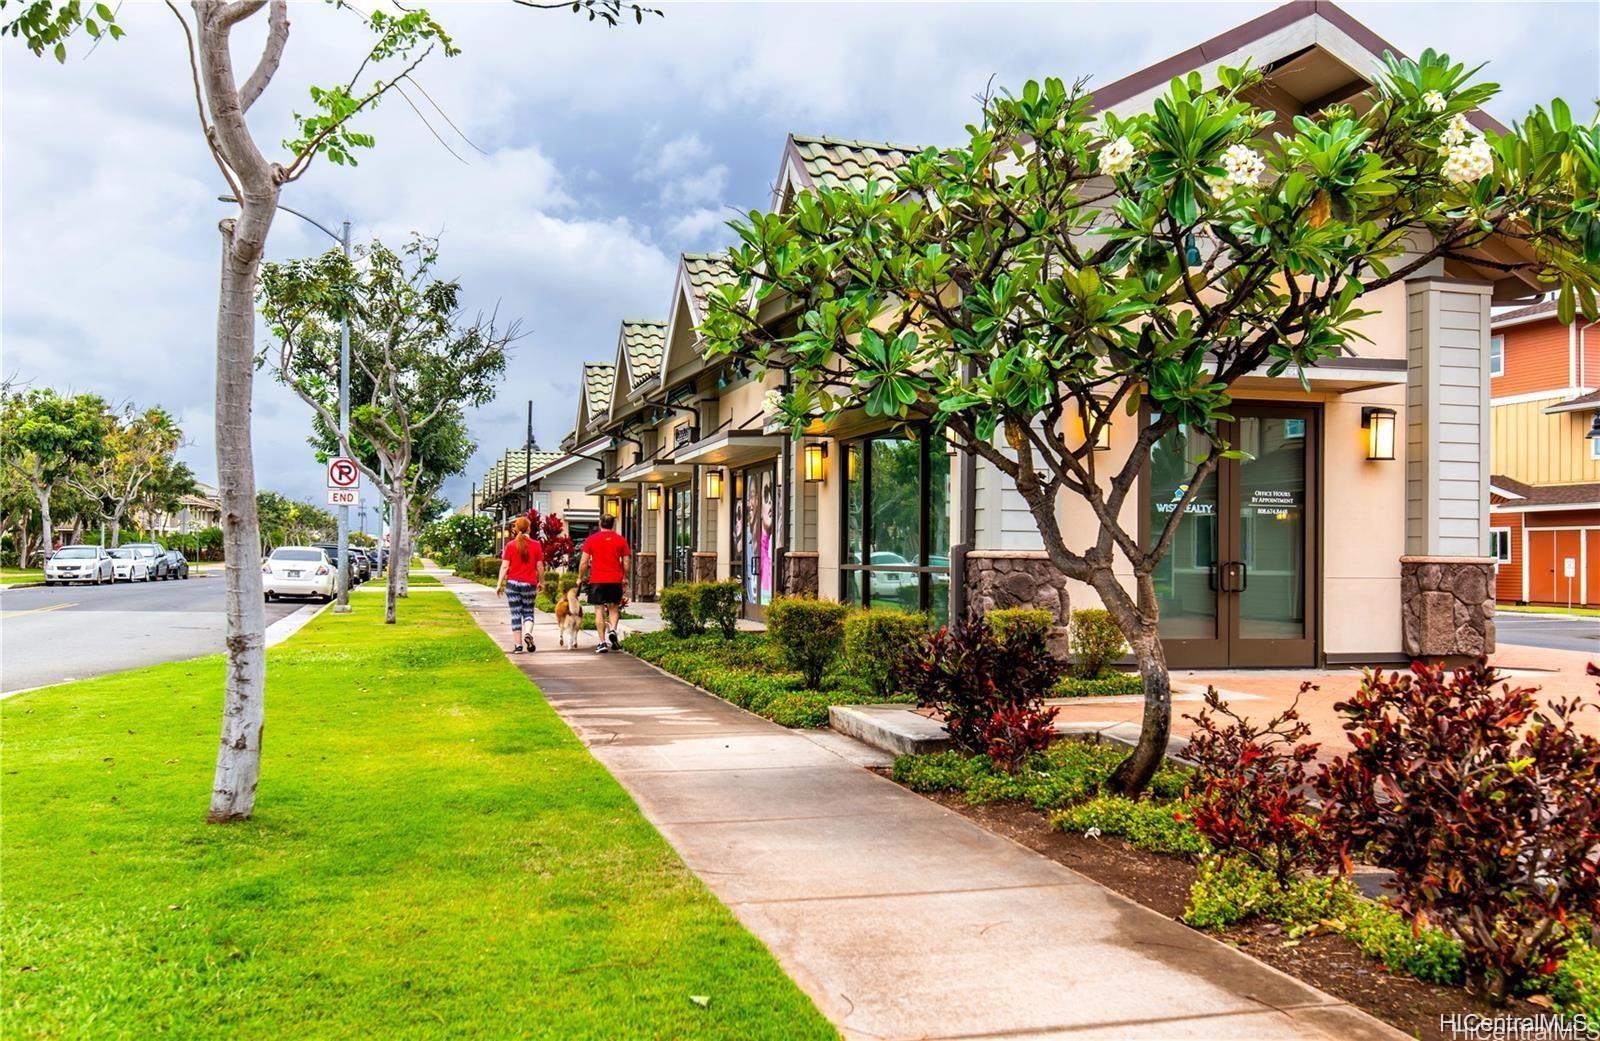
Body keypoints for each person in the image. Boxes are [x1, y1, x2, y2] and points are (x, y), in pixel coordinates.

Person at [577, 512, 630, 653]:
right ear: (613, 525)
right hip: (615, 579)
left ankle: (602, 642)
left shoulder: (591, 540)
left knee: (599, 610)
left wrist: (580, 577)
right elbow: (626, 561)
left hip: (597, 580)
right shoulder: (621, 540)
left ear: (600, 524)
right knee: (613, 608)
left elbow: (583, 562)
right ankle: (612, 630)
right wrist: (625, 576)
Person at [495, 516, 544, 653]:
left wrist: (499, 584)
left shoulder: (510, 545)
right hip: (529, 584)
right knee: (528, 611)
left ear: (515, 529)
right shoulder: (536, 545)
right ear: (529, 528)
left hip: (512, 584)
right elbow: (539, 567)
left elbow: (504, 567)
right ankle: (528, 633)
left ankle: (518, 646)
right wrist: (542, 582)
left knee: (516, 613)